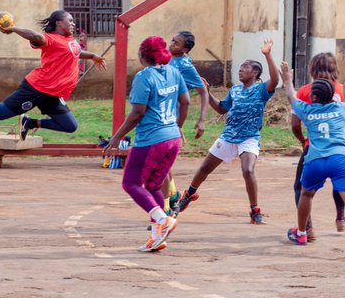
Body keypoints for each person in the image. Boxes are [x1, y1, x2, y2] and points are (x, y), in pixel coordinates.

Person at [0, 10, 106, 138]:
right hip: (38, 88)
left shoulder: (70, 40)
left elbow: (76, 51)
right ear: (58, 23)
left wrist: (92, 56)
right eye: (69, 20)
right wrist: (13, 29)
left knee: (70, 126)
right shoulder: (50, 39)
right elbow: (34, 36)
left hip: (53, 94)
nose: (73, 23)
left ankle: (30, 122)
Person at [280, 61, 345, 261]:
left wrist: (287, 80)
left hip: (315, 160)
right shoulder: (343, 110)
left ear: (313, 97)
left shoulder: (307, 111)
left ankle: (301, 233)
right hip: (340, 159)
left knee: (306, 194)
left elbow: (291, 96)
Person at [175, 38, 279, 224]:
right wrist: (208, 92)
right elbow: (222, 109)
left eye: (245, 67)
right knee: (205, 168)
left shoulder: (262, 89)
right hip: (229, 136)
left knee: (248, 170)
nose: (240, 69)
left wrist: (268, 55)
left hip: (249, 137)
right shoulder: (235, 90)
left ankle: (255, 210)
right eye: (240, 67)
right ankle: (189, 194)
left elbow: (276, 79)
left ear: (255, 73)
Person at [104, 37, 191, 253]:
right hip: (173, 138)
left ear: (143, 56)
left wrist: (116, 137)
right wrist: (177, 125)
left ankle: (164, 220)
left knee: (131, 183)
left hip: (152, 139)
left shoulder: (143, 77)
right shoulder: (173, 72)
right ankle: (157, 237)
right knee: (153, 186)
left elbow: (137, 113)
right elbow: (186, 101)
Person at [165, 31, 210, 212]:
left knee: (160, 163)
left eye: (176, 43)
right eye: (172, 40)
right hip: (158, 113)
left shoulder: (185, 66)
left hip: (171, 116)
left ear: (185, 49)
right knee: (162, 162)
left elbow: (203, 91)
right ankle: (173, 196)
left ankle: (167, 210)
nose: (171, 43)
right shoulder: (167, 57)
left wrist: (201, 121)